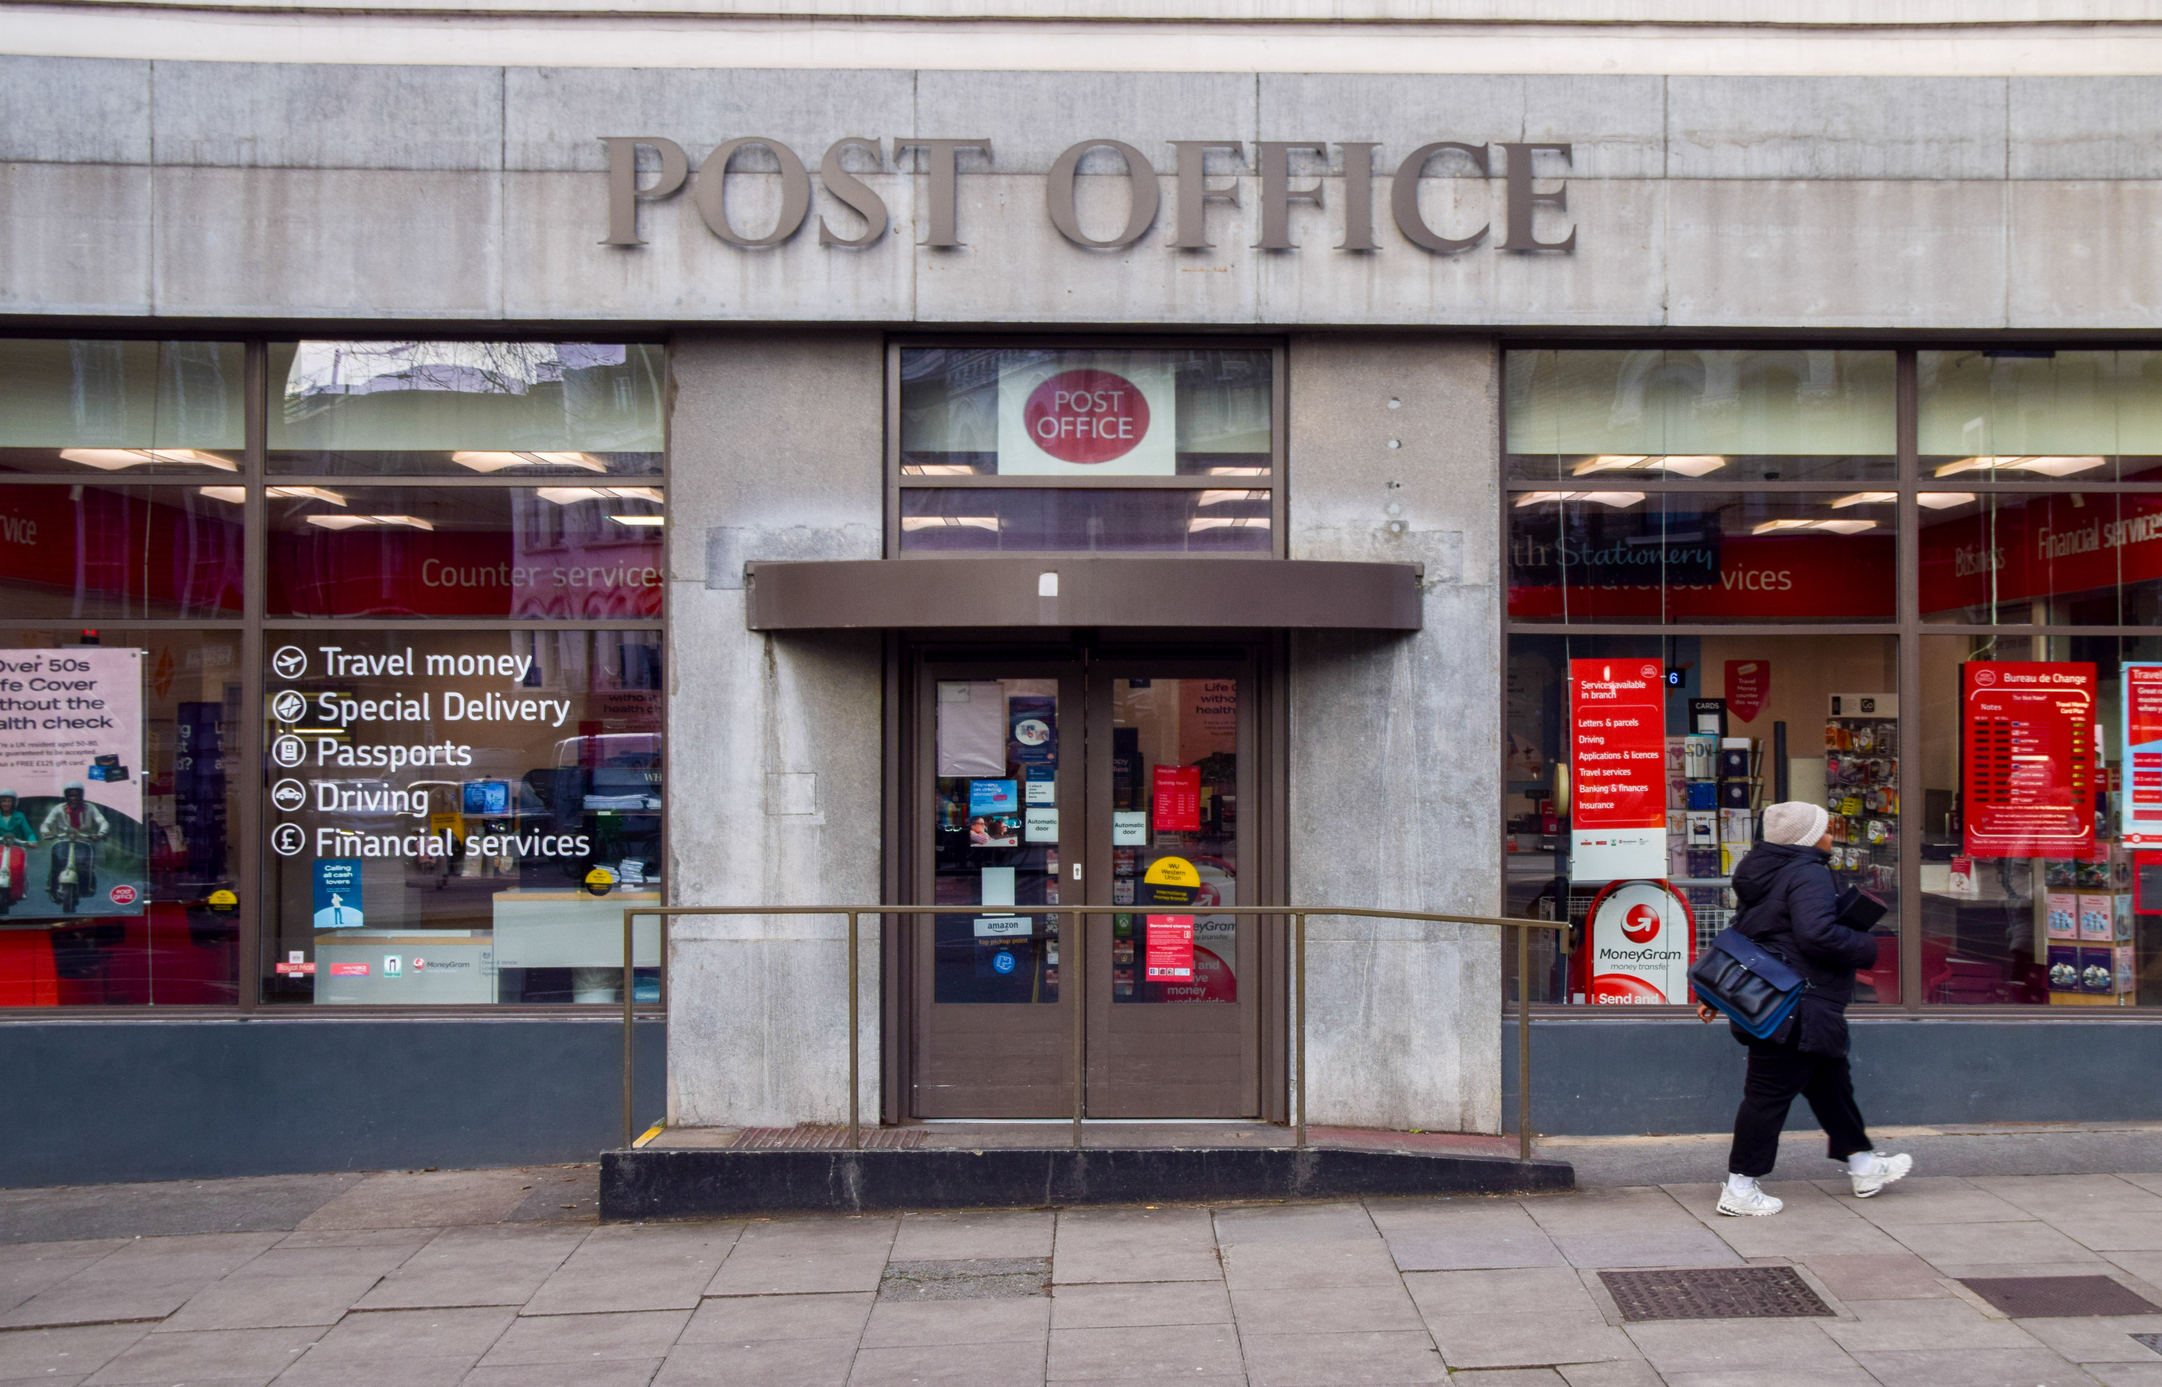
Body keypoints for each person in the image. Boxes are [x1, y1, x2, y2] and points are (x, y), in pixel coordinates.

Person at [1695, 800, 1912, 1216]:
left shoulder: (1762, 873)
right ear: (1807, 838)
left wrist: (1714, 994)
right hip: (1796, 1004)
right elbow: (1817, 935)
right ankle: (1740, 1187)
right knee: (1766, 1096)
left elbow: (1745, 935)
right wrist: (1868, 946)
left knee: (1831, 1082)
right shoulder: (1808, 873)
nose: (1831, 835)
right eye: (1825, 829)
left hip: (1785, 1001)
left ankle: (1864, 1165)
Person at [40, 782, 109, 900]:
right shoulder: (59, 808)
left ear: (81, 796)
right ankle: (52, 885)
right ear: (66, 796)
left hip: (84, 841)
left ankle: (88, 885)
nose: (74, 798)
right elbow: (47, 823)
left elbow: (102, 821)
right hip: (64, 840)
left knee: (85, 866)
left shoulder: (90, 808)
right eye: (70, 795)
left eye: (77, 795)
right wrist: (46, 832)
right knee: (57, 863)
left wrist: (100, 833)